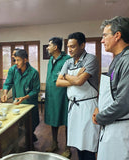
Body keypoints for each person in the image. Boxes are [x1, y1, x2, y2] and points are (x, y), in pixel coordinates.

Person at [56, 32, 100, 160]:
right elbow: (58, 83)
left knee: (88, 143)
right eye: (68, 46)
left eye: (73, 46)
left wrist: (65, 75)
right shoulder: (68, 62)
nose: (69, 49)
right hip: (73, 106)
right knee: (77, 144)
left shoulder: (91, 59)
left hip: (88, 106)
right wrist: (74, 77)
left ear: (82, 45)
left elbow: (80, 82)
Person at [92, 16, 129, 160]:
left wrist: (101, 116)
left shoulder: (126, 61)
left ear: (117, 35)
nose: (102, 40)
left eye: (104, 35)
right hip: (110, 124)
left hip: (120, 129)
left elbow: (124, 102)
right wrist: (99, 108)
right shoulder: (117, 59)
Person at [1, 49, 40, 142]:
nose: (16, 63)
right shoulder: (13, 70)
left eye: (18, 60)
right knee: (18, 124)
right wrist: (5, 93)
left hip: (30, 104)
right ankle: (25, 140)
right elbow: (8, 83)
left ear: (25, 60)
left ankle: (30, 138)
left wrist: (24, 97)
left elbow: (36, 90)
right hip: (18, 104)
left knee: (32, 124)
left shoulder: (33, 72)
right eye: (15, 60)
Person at [44, 37, 71, 157]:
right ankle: (54, 143)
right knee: (52, 120)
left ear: (56, 47)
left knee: (66, 122)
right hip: (51, 95)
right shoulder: (51, 59)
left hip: (63, 96)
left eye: (49, 45)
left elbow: (71, 78)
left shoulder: (67, 60)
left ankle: (67, 148)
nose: (47, 47)